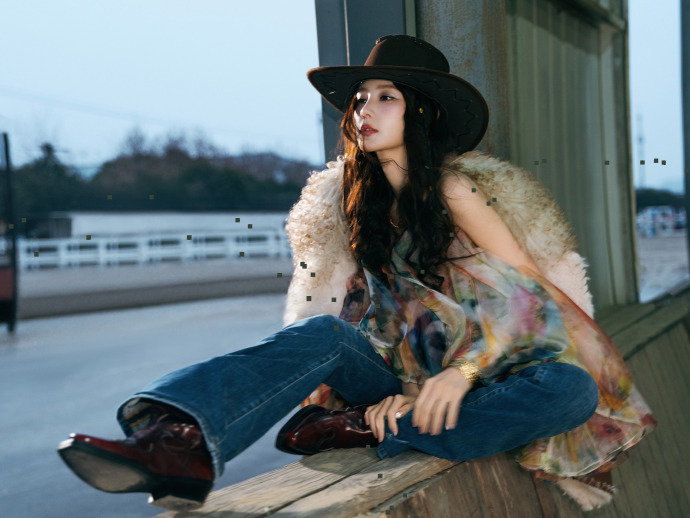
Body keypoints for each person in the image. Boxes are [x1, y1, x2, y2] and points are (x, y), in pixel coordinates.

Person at [57, 35, 656, 513]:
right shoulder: (360, 203)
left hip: (487, 376)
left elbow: (530, 293)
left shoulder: (454, 190)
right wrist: (385, 384)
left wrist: (463, 374)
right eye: (361, 98)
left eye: (385, 97)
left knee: (570, 391)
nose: (365, 110)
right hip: (399, 380)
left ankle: (375, 431)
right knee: (321, 334)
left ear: (420, 113)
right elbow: (371, 310)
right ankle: (177, 444)